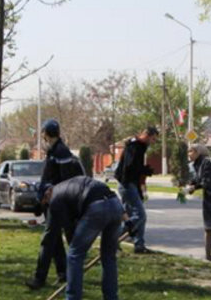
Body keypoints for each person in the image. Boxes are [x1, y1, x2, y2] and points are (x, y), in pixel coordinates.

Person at [42, 176, 125, 300]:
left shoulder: (55, 199)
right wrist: (129, 223)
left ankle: (72, 297)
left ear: (47, 194)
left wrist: (76, 245)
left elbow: (69, 227)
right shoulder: (68, 185)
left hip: (97, 207)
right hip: (115, 204)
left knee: (74, 255)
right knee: (109, 257)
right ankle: (111, 297)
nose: (47, 205)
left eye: (45, 202)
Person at [26, 119, 85, 290]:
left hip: (60, 203)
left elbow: (63, 181)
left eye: (43, 132)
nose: (41, 136)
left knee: (49, 239)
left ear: (46, 133)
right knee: (56, 241)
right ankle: (64, 273)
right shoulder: (54, 150)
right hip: (54, 202)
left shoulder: (61, 152)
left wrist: (49, 194)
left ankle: (40, 278)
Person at [114, 126, 158, 254]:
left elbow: (135, 168)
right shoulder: (135, 146)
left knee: (130, 215)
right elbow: (129, 167)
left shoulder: (139, 146)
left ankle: (139, 245)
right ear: (147, 135)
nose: (153, 142)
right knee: (140, 215)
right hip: (127, 184)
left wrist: (141, 186)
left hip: (132, 184)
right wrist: (143, 170)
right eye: (153, 139)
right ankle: (113, 238)